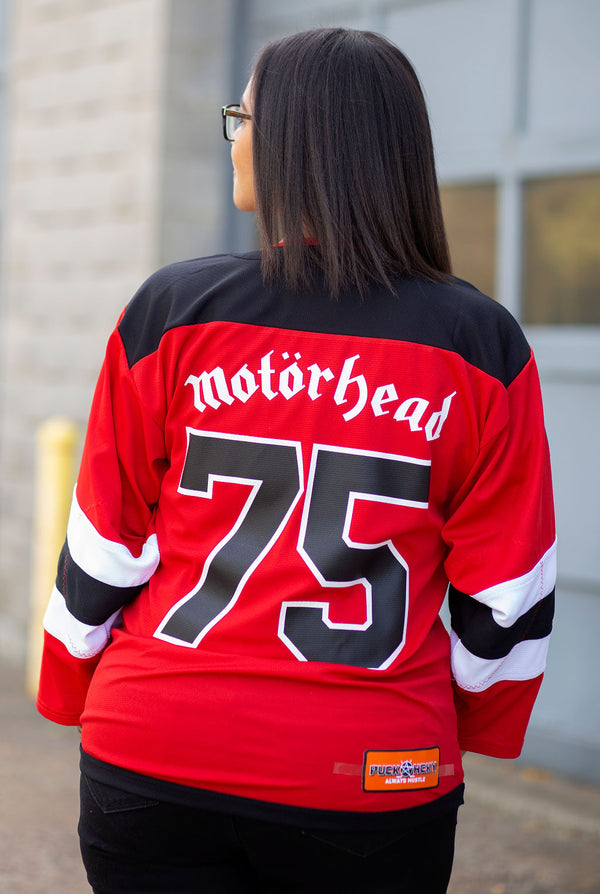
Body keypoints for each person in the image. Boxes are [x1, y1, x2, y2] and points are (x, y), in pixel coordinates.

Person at [37, 27, 556, 894]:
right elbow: (506, 595)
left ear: (297, 143)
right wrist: (452, 721)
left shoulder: (173, 309)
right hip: (373, 774)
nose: (235, 135)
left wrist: (67, 691)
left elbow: (105, 544)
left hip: (151, 753)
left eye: (242, 114)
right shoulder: (479, 342)